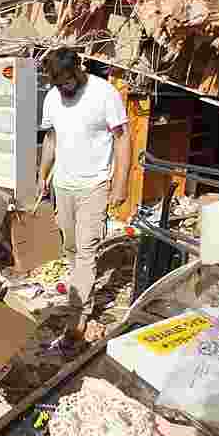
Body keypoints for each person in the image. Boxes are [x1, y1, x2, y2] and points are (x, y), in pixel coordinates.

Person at [37, 49, 130, 351]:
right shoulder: (52, 97)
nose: (65, 87)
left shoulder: (105, 94)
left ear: (79, 68)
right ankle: (81, 295)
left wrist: (121, 183)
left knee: (87, 251)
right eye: (58, 83)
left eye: (68, 80)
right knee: (71, 249)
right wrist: (43, 173)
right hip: (63, 186)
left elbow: (123, 137)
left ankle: (77, 319)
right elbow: (51, 138)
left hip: (95, 185)